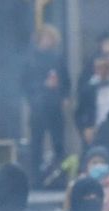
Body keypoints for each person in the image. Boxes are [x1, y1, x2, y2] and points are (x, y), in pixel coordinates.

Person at [22, 25, 70, 185]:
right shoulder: (31, 59)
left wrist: (64, 96)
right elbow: (26, 84)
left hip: (54, 106)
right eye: (45, 38)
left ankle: (60, 177)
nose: (47, 41)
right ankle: (35, 179)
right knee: (36, 144)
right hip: (38, 107)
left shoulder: (57, 58)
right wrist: (43, 86)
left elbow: (66, 79)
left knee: (58, 143)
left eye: (50, 38)